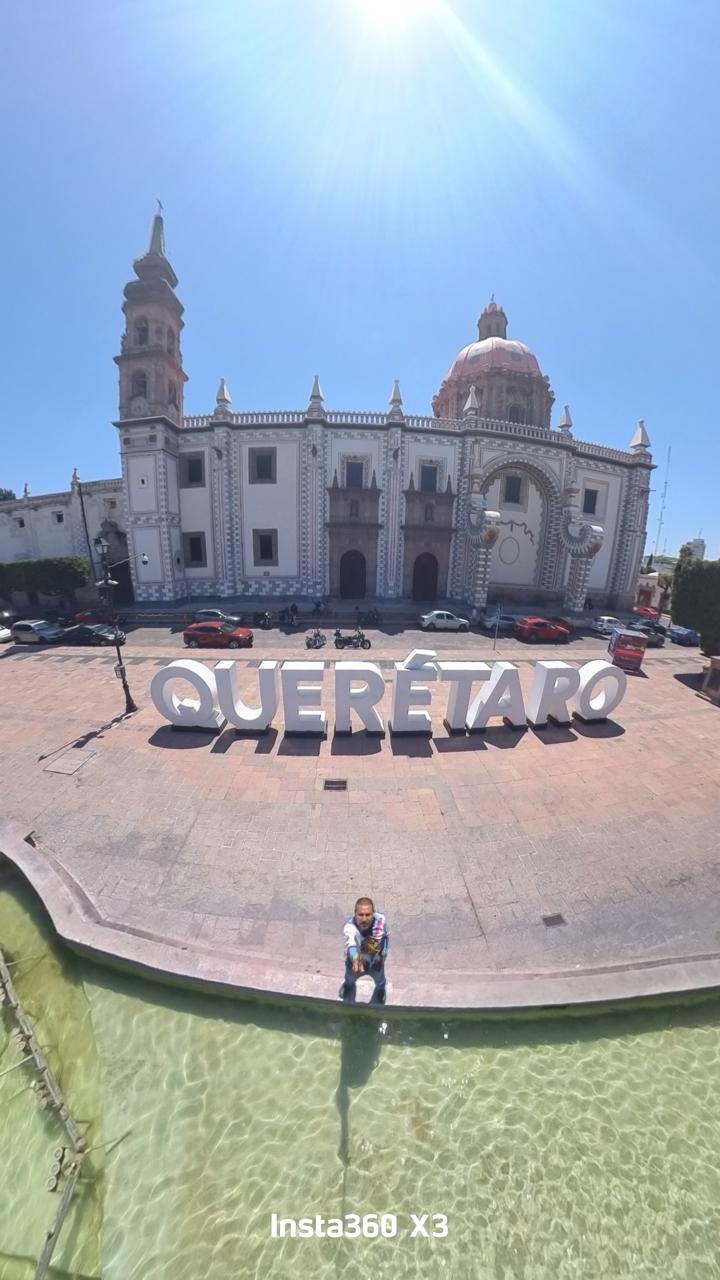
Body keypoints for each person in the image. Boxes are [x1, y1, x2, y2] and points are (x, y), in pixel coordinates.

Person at [340, 897, 389, 1004]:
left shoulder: (380, 920)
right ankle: (348, 986)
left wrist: (384, 954)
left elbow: (385, 936)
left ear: (373, 914)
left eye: (368, 915)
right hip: (355, 962)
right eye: (360, 915)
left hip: (375, 960)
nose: (364, 919)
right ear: (355, 914)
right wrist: (355, 958)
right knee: (350, 980)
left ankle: (381, 991)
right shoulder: (349, 928)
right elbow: (351, 945)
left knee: (380, 982)